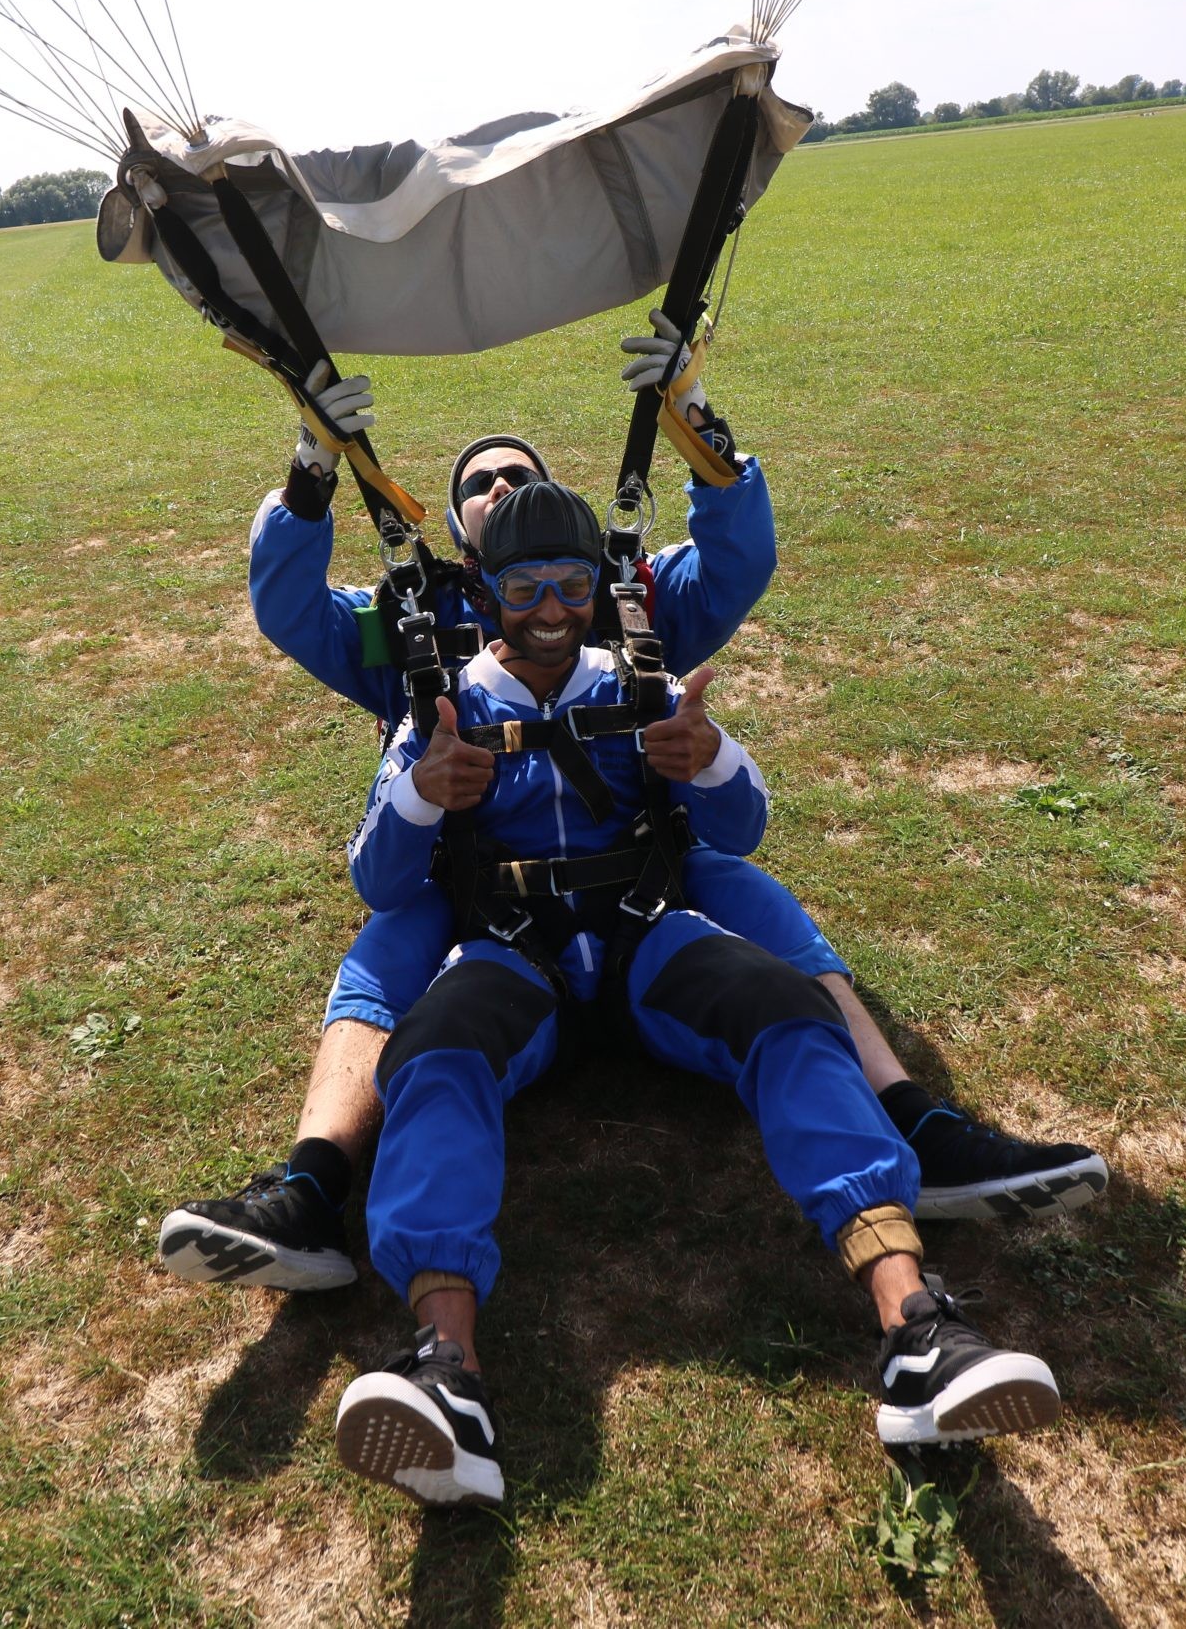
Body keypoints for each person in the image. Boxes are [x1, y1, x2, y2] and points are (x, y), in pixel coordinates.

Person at [156, 317, 1106, 1295]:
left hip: (641, 871)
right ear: (454, 534)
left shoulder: (628, 595)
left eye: (516, 472)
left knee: (751, 896)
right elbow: (288, 608)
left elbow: (735, 563)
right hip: (473, 878)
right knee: (389, 938)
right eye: (476, 482)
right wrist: (314, 465)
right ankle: (311, 1188)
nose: (498, 487)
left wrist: (696, 423)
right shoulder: (411, 620)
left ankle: (919, 1125)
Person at [328, 478, 1062, 1506]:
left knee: (790, 1010)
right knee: (434, 1053)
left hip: (641, 937)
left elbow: (745, 823)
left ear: (598, 586)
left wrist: (708, 760)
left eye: (570, 584)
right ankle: (448, 1373)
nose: (548, 608)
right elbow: (375, 879)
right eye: (524, 585)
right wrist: (420, 791)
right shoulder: (443, 707)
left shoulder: (639, 680)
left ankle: (918, 1329)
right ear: (485, 590)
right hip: (511, 950)